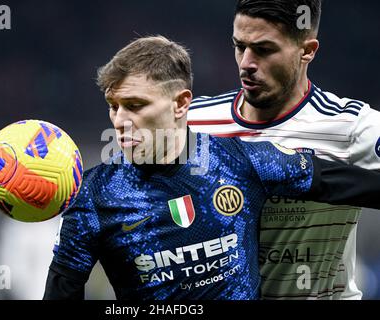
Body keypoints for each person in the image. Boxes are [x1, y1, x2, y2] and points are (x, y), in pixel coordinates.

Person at [43, 35, 380, 300]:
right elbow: (62, 291)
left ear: (180, 103)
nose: (119, 121)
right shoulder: (93, 195)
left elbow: (344, 182)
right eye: (113, 106)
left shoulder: (241, 161)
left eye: (135, 106)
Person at [187, 0, 380, 299]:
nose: (246, 64)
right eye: (240, 46)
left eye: (264, 50)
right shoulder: (193, 122)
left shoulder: (351, 127)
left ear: (307, 50)